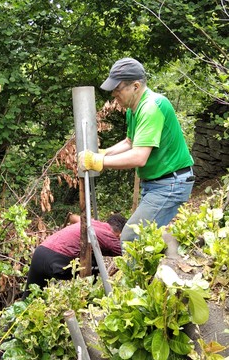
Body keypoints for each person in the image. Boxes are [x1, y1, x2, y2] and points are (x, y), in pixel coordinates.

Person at [78, 57, 195, 246]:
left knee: (131, 238)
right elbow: (130, 142)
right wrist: (105, 153)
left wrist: (99, 162)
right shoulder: (134, 109)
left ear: (135, 86)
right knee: (147, 238)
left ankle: (171, 260)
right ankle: (170, 260)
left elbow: (139, 157)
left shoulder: (150, 108)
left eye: (118, 88)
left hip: (170, 184)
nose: (114, 94)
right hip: (158, 183)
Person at [22, 213, 126, 295]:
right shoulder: (108, 235)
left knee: (30, 296)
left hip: (40, 252)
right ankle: (89, 297)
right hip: (57, 259)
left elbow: (73, 217)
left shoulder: (90, 223)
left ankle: (15, 319)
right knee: (95, 263)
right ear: (119, 233)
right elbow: (128, 252)